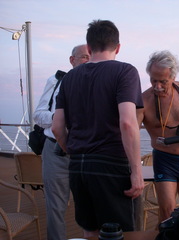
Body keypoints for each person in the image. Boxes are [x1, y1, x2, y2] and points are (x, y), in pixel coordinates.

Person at [52, 20, 144, 238]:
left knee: (90, 231)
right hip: (111, 165)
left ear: (89, 47)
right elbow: (128, 123)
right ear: (118, 47)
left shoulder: (69, 78)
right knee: (120, 234)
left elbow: (57, 127)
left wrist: (72, 150)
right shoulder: (125, 72)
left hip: (78, 166)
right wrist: (136, 171)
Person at [137, 50, 179, 222]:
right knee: (167, 212)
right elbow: (130, 131)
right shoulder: (143, 100)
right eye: (154, 80)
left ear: (173, 77)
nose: (157, 86)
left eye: (163, 81)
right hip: (164, 160)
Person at [33, 44, 89, 240]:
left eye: (90, 56)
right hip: (56, 151)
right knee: (55, 207)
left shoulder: (99, 83)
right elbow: (38, 115)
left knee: (90, 206)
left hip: (86, 152)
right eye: (83, 57)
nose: (87, 60)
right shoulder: (56, 81)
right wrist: (62, 117)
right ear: (72, 60)